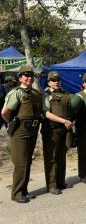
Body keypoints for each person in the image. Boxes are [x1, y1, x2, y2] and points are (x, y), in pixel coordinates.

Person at [1, 65, 41, 203]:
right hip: (20, 132)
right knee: (20, 163)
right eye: (26, 76)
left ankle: (24, 190)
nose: (29, 78)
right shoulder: (16, 93)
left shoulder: (36, 93)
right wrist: (9, 123)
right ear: (20, 78)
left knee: (27, 161)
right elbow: (5, 112)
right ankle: (17, 193)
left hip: (32, 131)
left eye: (31, 76)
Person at [41, 71, 74, 195]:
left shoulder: (65, 94)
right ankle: (52, 185)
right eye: (54, 80)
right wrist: (64, 120)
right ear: (48, 82)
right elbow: (46, 113)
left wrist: (71, 120)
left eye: (58, 80)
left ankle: (61, 182)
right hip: (52, 129)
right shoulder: (45, 95)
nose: (56, 82)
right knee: (52, 157)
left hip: (65, 129)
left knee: (61, 156)